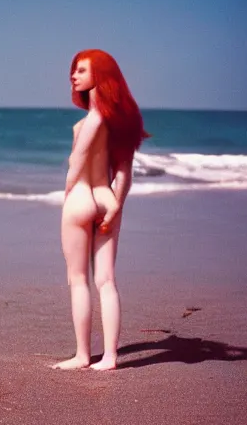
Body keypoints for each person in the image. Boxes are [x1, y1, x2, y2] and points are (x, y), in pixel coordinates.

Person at [52, 49, 148, 371]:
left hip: (80, 197)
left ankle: (82, 354)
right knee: (106, 280)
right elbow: (123, 170)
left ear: (99, 76)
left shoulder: (90, 120)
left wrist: (67, 196)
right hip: (106, 197)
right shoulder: (119, 121)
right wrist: (115, 204)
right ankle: (110, 357)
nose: (73, 76)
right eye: (73, 71)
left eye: (81, 70)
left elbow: (76, 162)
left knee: (78, 279)